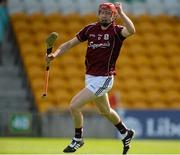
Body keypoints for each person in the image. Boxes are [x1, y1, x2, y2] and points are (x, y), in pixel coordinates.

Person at [46, 2, 136, 154]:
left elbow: (132, 30)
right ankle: (125, 132)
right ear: (98, 14)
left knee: (74, 105)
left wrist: (121, 12)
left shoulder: (117, 31)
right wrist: (54, 55)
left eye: (108, 13)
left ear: (114, 16)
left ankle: (77, 139)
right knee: (105, 111)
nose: (104, 15)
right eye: (102, 12)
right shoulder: (90, 29)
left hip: (104, 78)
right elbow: (68, 44)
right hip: (90, 77)